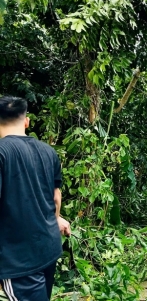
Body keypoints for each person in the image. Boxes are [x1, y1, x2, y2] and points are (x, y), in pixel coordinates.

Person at [0, 96, 71, 301]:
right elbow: (56, 198)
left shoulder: (2, 153)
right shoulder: (48, 152)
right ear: (26, 121)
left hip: (20, 259)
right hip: (48, 249)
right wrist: (55, 219)